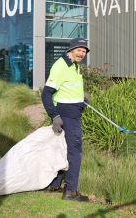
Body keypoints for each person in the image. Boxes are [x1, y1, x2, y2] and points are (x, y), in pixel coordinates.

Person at [41, 38, 90, 202]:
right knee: (75, 153)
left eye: (84, 51)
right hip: (67, 115)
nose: (82, 54)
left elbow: (67, 88)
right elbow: (46, 93)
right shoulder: (61, 66)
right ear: (71, 50)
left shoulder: (74, 65)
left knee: (62, 149)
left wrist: (81, 98)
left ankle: (54, 185)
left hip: (72, 111)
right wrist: (55, 116)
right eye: (79, 50)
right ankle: (71, 192)